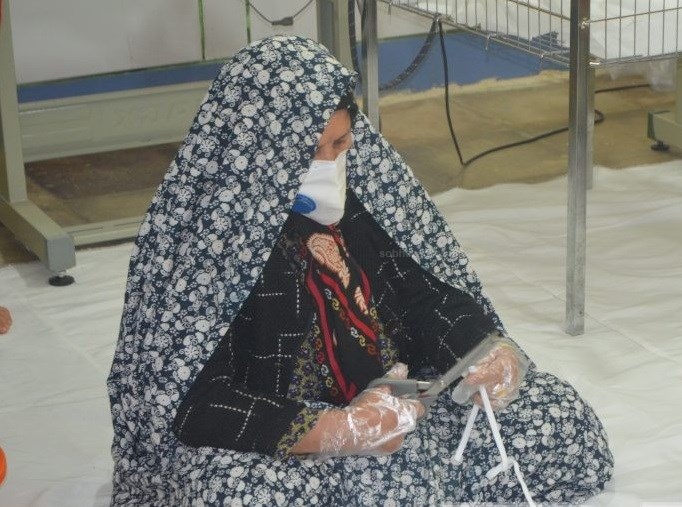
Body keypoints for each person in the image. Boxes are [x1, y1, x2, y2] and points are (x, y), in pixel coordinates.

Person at [107, 35, 613, 506]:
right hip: (288, 445)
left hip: (399, 413)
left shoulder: (361, 204)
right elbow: (194, 402)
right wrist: (336, 431)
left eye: (341, 145)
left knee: (557, 418)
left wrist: (483, 351)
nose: (329, 165)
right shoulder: (209, 242)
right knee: (238, 493)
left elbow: (426, 296)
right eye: (310, 152)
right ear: (257, 149)